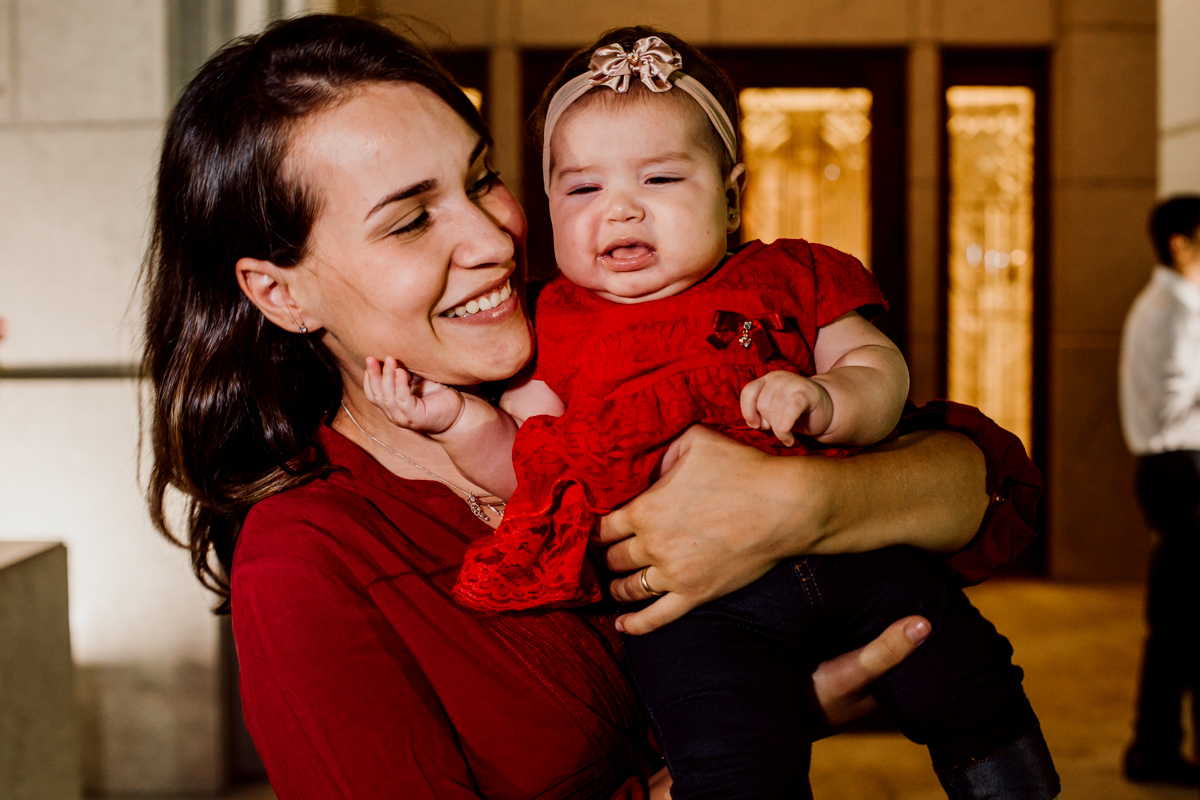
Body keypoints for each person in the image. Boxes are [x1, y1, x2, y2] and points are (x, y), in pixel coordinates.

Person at [141, 15, 1044, 799]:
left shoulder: (591, 330)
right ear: (280, 293)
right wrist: (745, 740)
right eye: (411, 220)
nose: (493, 237)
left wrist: (802, 507)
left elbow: (988, 482)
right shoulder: (308, 562)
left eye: (482, 177)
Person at [1118, 195, 1200, 786]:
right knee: (1185, 618)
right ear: (1182, 242)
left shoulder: (1172, 305)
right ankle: (1153, 746)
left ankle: (1154, 745)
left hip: (1172, 469)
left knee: (1174, 617)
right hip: (1182, 469)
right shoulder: (1173, 310)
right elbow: (1170, 407)